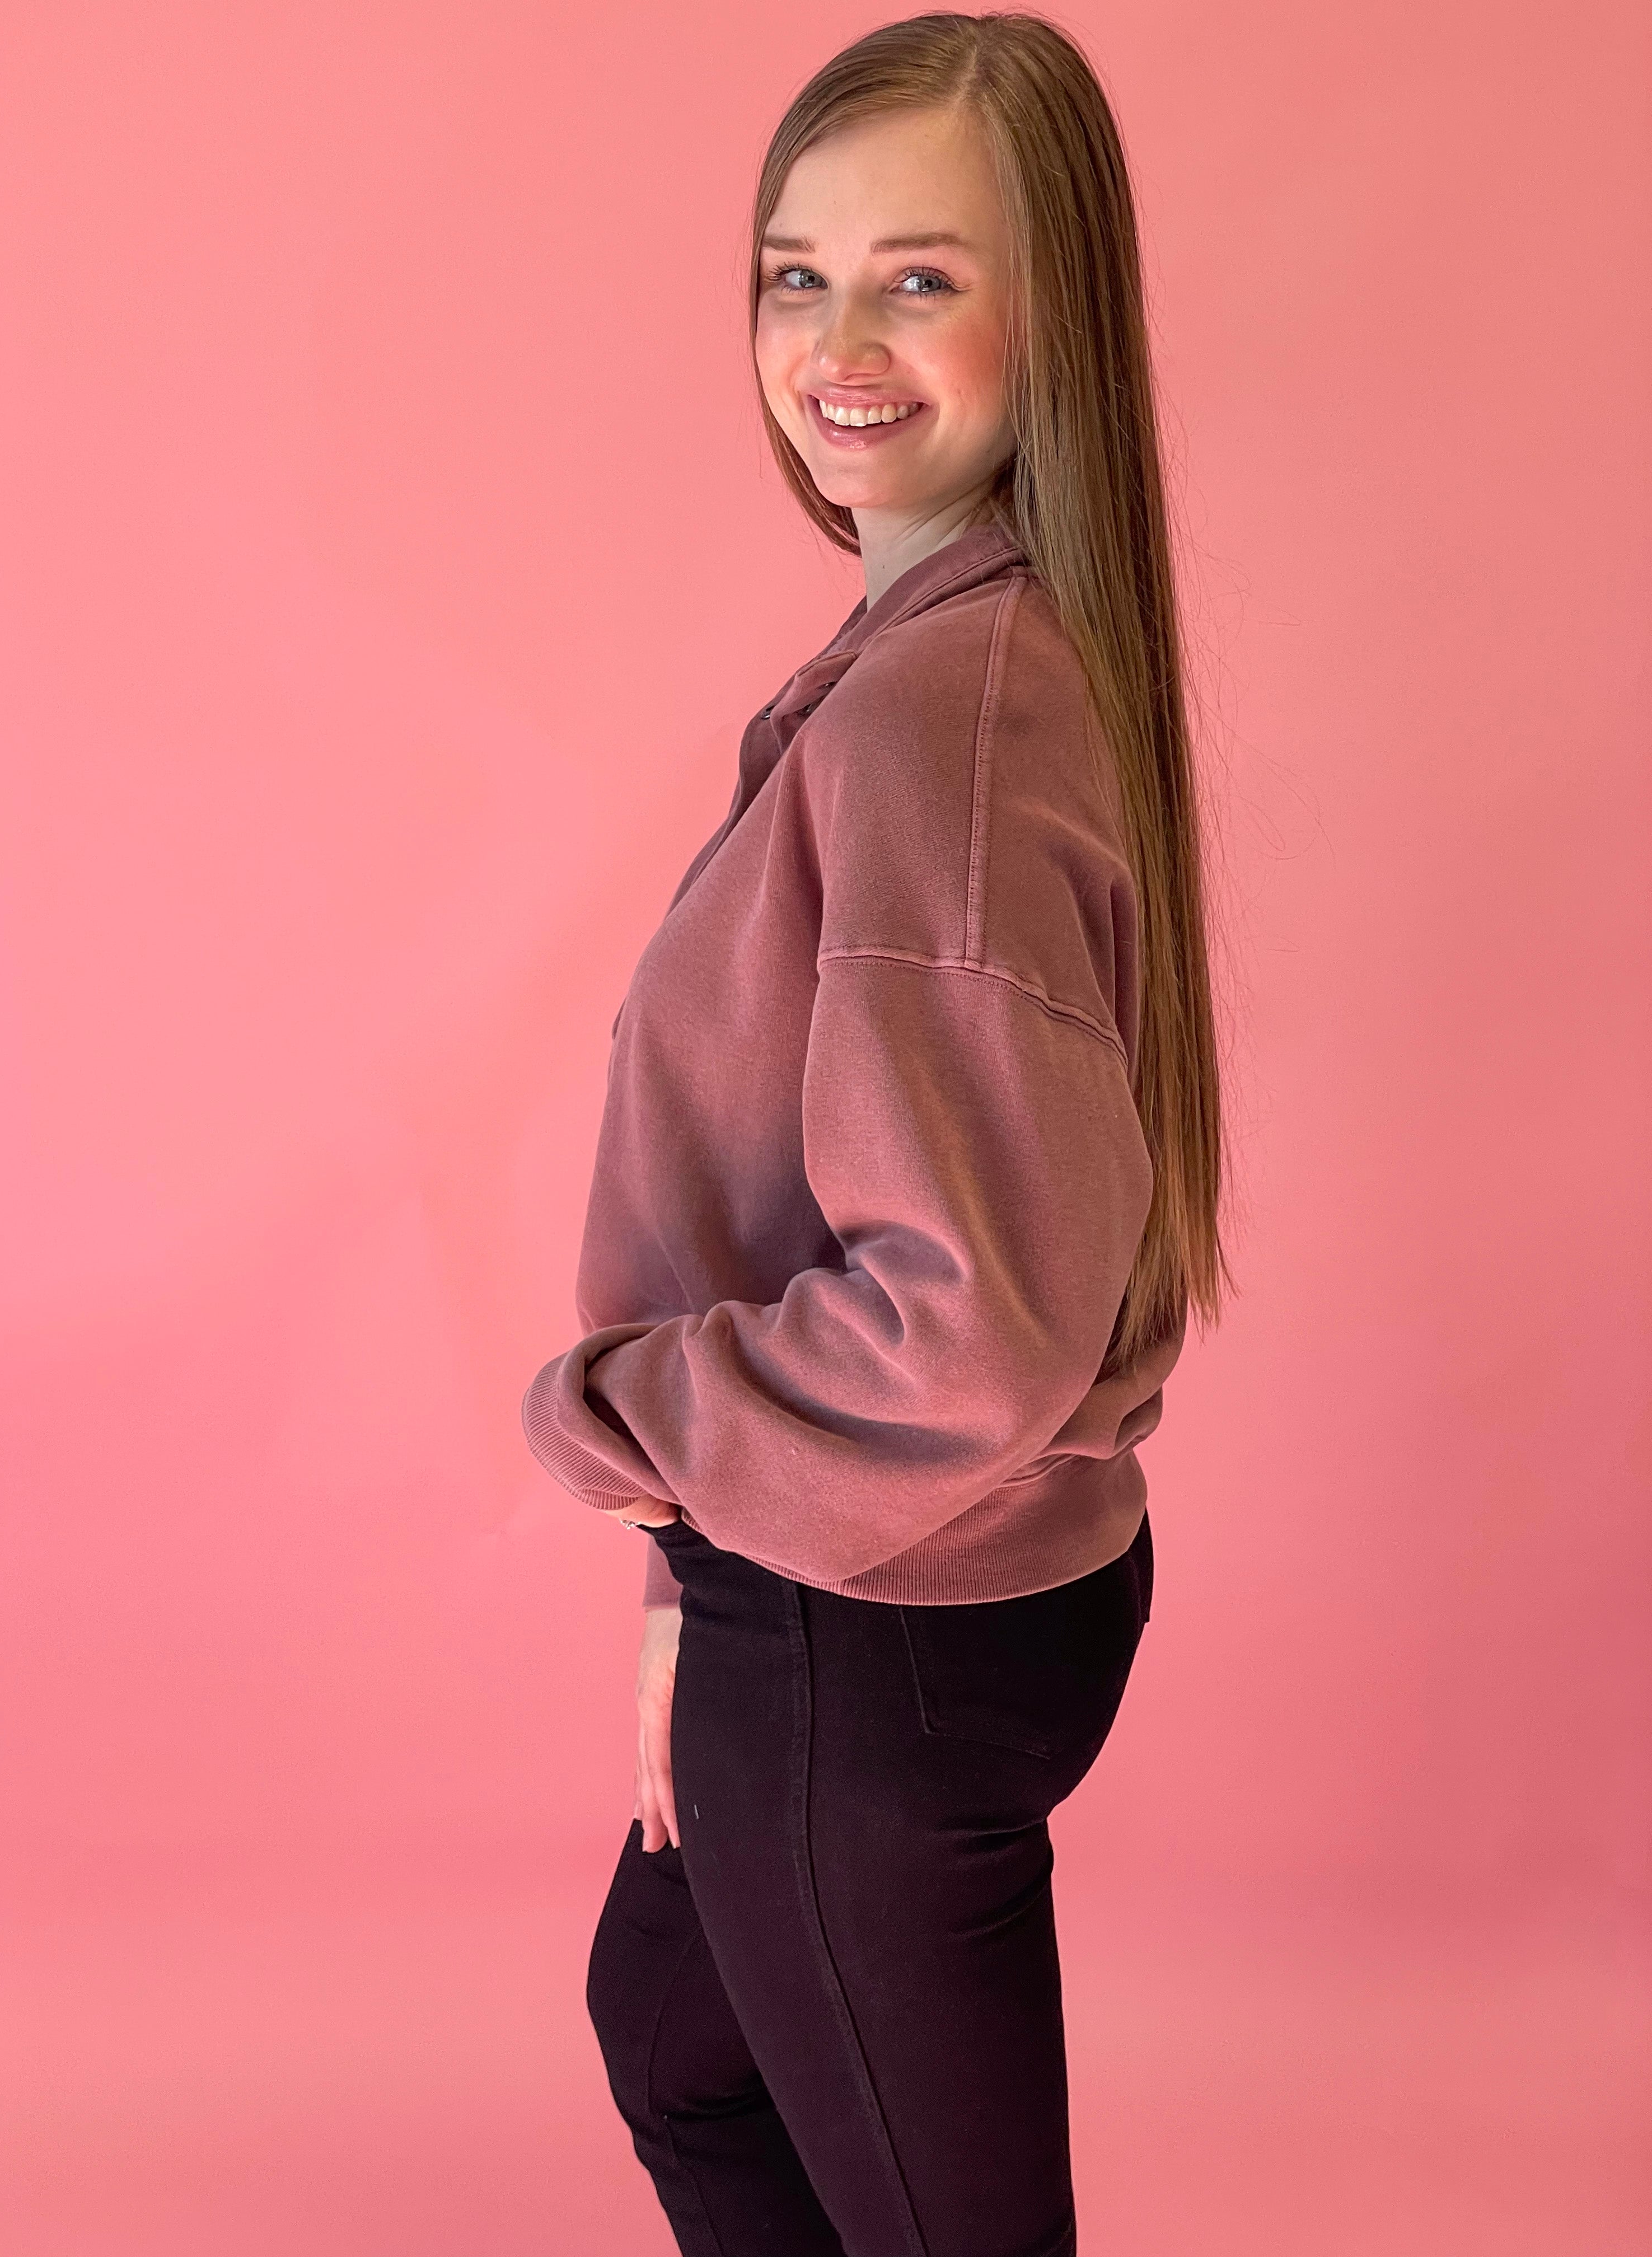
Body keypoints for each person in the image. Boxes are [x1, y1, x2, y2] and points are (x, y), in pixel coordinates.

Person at [523, 12, 1228, 2251]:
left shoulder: (944, 717)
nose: (838, 344)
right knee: (681, 2038)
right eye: (794, 275)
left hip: (878, 1625)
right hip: (864, 1596)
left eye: (922, 277)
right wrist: (692, 1575)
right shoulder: (949, 656)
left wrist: (626, 1422)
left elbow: (963, 1336)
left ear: (1055, 313)